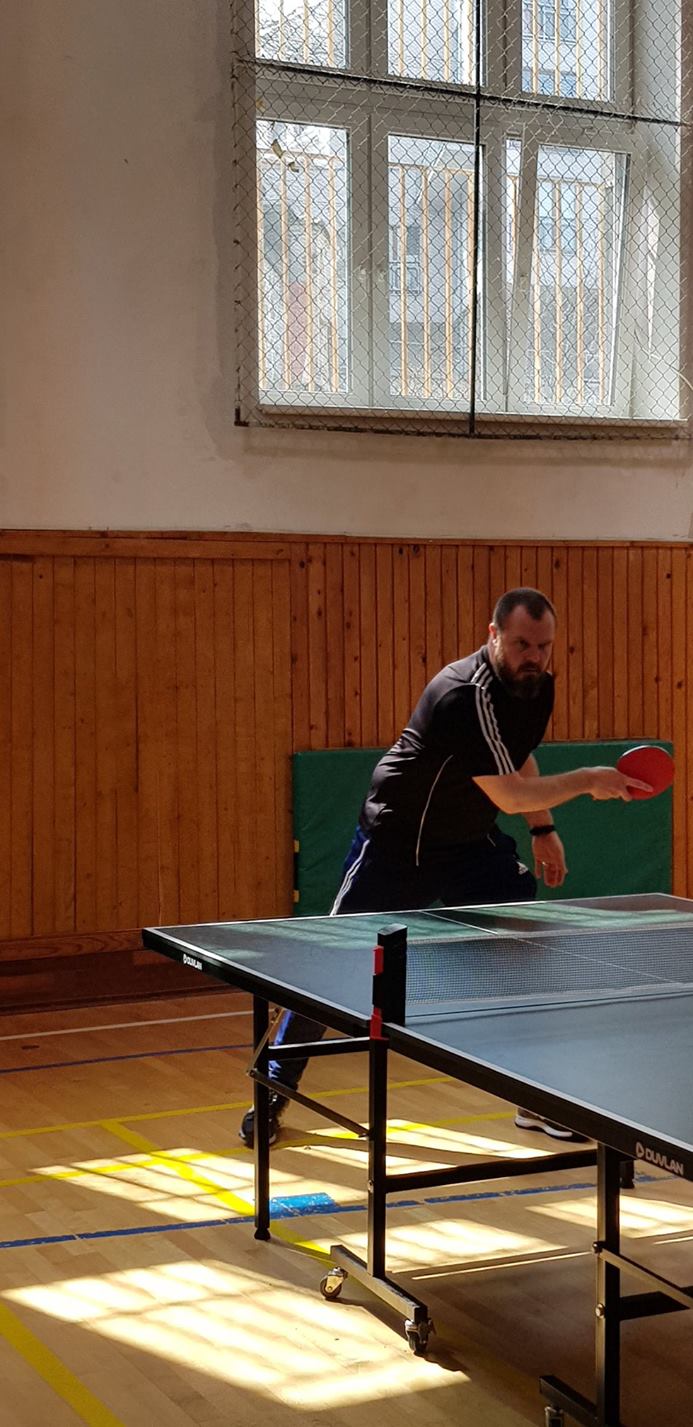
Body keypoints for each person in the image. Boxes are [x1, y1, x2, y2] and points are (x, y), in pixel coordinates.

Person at [239, 587, 650, 1147]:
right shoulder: (463, 694)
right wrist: (585, 780)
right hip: (397, 843)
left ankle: (537, 1097)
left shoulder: (536, 686)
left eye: (544, 646)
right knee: (331, 968)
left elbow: (517, 757)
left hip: (466, 843)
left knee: (526, 949)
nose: (534, 657)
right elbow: (510, 794)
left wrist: (544, 829)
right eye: (522, 644)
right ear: (493, 635)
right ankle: (273, 1089)